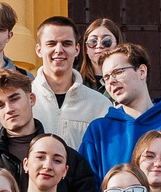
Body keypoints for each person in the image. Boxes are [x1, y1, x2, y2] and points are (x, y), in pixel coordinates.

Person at [0, 67, 99, 192]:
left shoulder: (69, 160)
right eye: (0, 105)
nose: (9, 109)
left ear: (31, 99)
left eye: (14, 99)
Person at [81, 43, 161, 192]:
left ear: (141, 71)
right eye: (106, 78)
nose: (111, 81)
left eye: (117, 72)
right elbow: (89, 189)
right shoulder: (98, 131)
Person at [30, 16, 112, 146]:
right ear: (39, 50)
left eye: (66, 43)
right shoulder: (23, 101)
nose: (59, 50)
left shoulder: (99, 105)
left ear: (77, 50)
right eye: (51, 43)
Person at [21, 133, 87, 192]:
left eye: (57, 161)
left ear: (65, 170)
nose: (48, 166)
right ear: (26, 164)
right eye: (40, 157)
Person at [81, 17, 125, 88]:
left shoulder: (127, 81)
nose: (99, 46)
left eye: (106, 41)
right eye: (93, 41)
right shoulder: (75, 82)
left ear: (117, 45)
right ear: (86, 48)